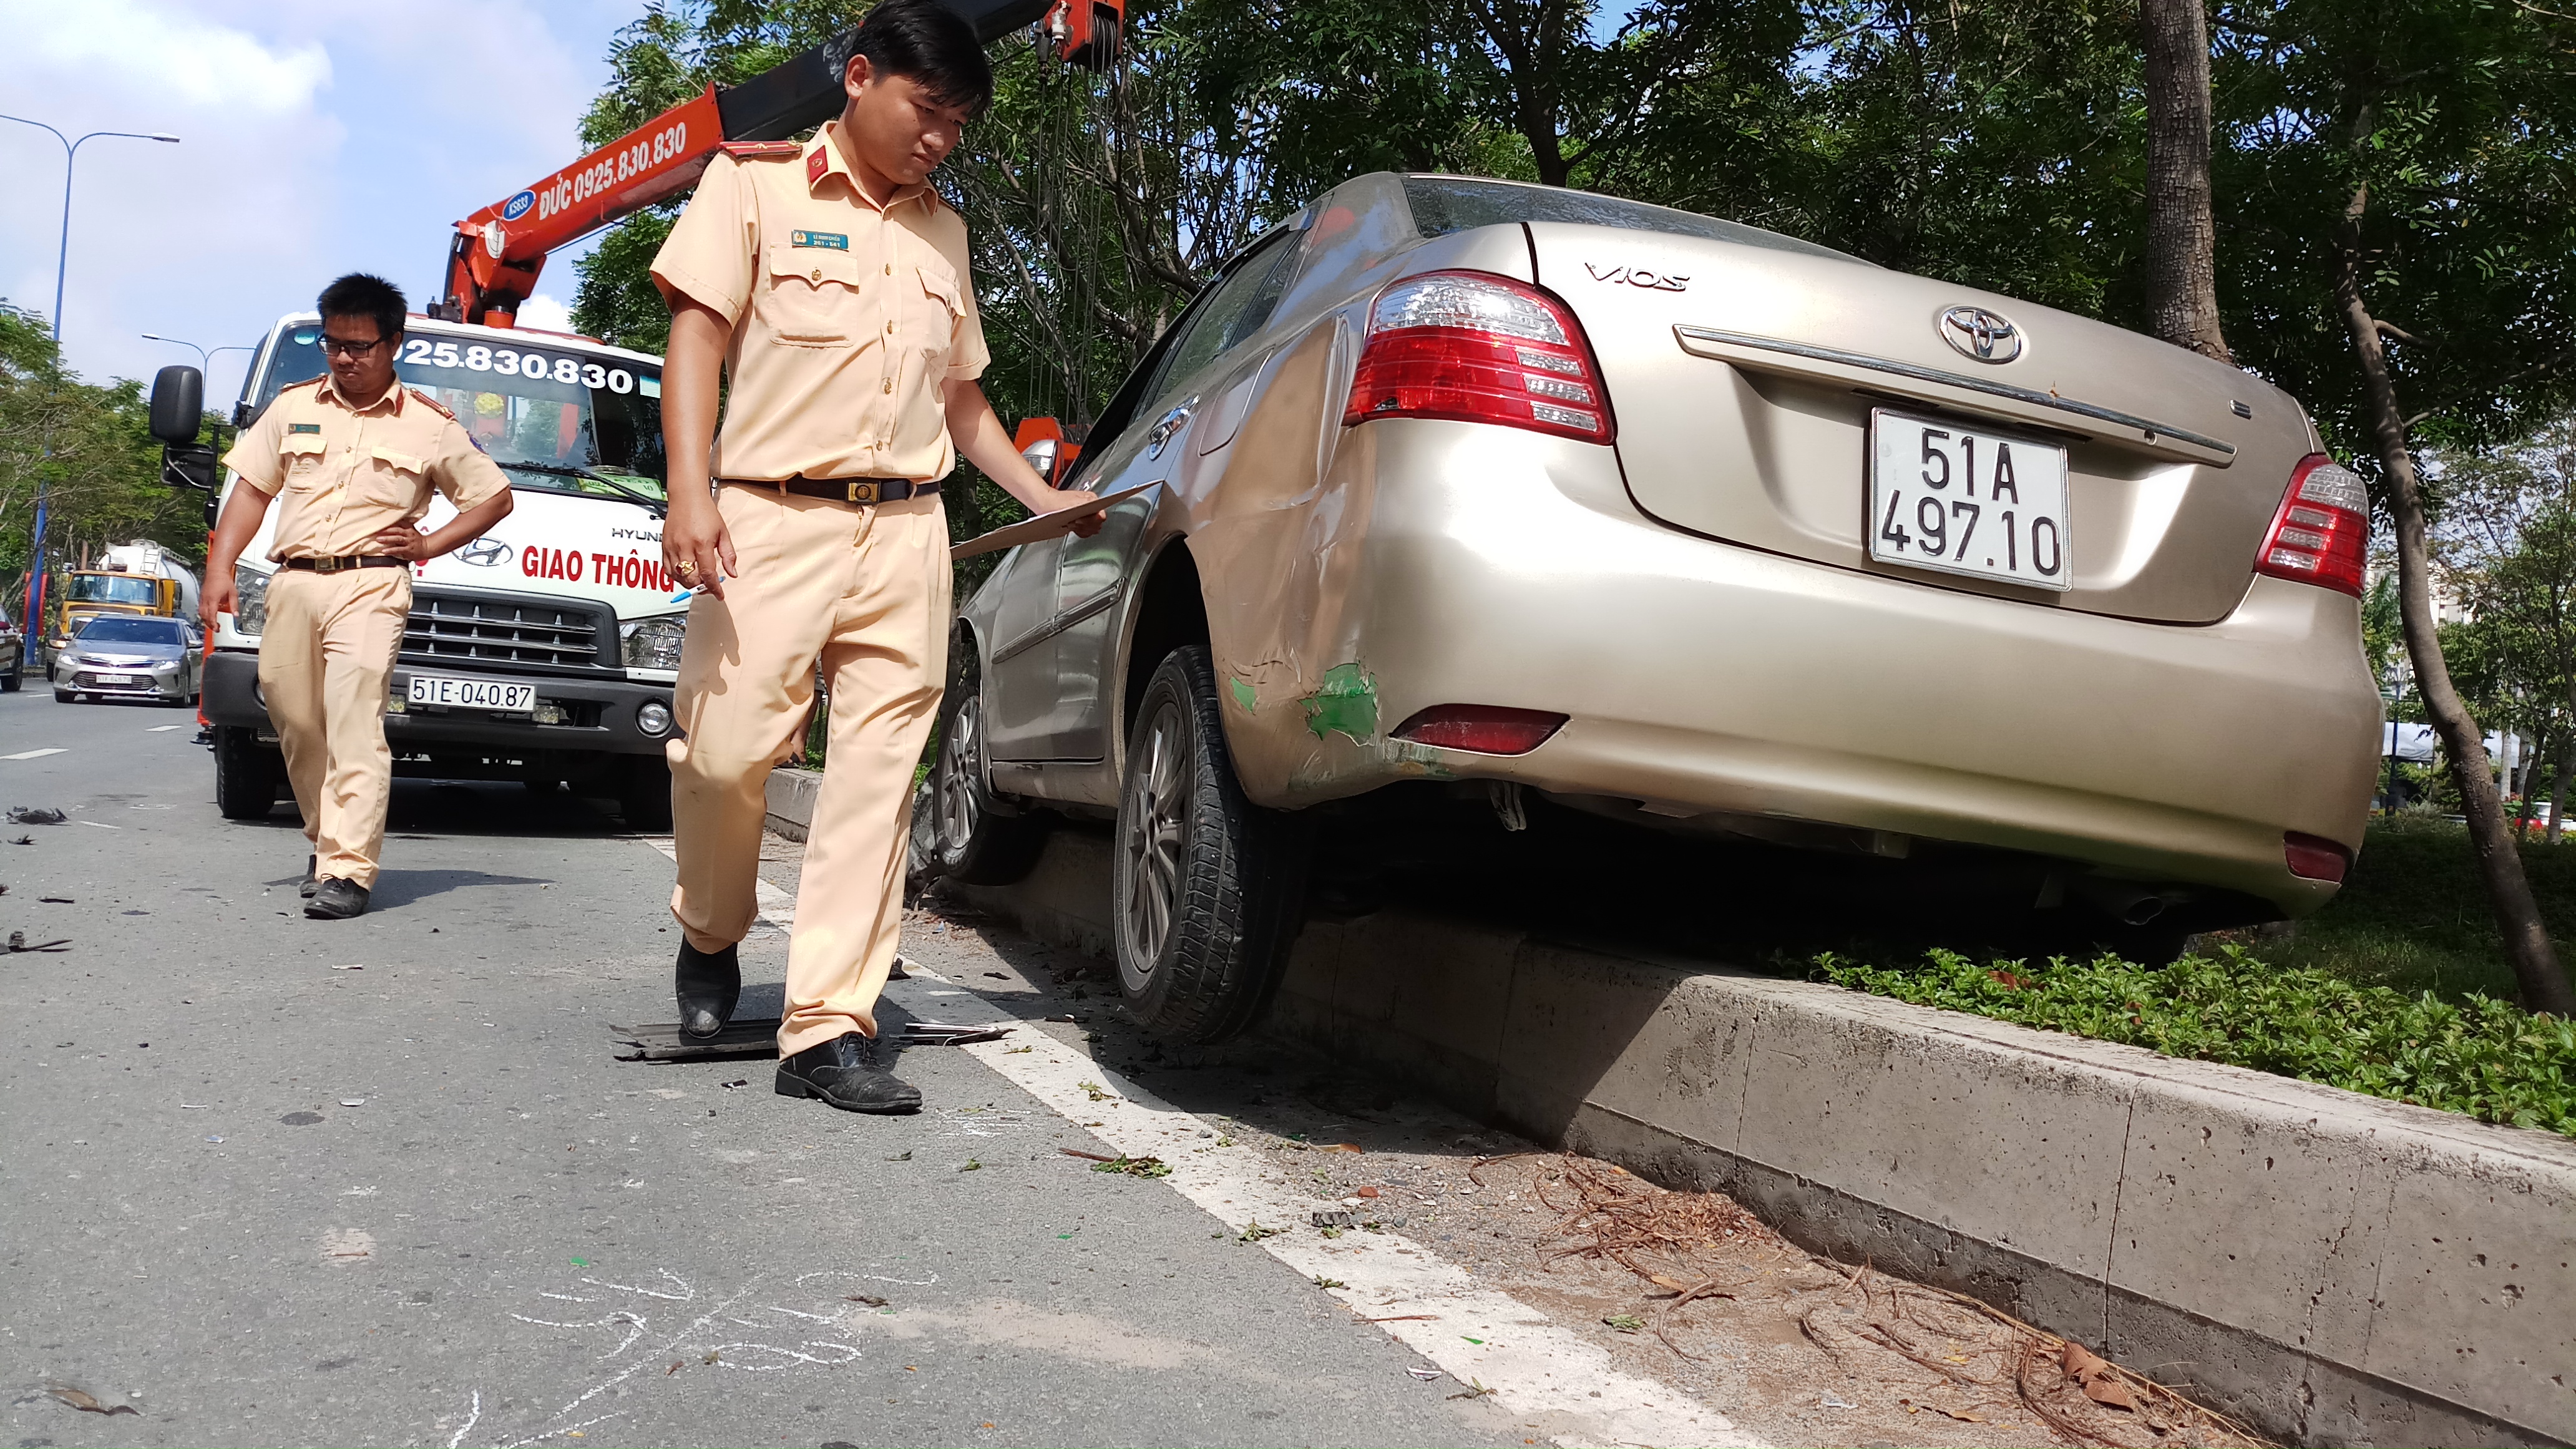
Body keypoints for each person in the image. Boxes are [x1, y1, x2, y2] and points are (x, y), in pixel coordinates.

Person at [650, 0, 1101, 1115]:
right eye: (925, 109)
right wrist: (689, 490)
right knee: (723, 756)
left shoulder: (943, 233)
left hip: (907, 533)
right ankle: (711, 935)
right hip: (765, 522)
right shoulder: (753, 186)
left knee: (873, 782)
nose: (939, 137)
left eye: (957, 122)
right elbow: (697, 338)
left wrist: (1043, 494)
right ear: (859, 79)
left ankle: (826, 1028)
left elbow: (961, 399)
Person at [202, 274, 516, 919]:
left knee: (353, 719)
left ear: (393, 343)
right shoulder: (292, 408)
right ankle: (327, 843)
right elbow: (252, 492)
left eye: (360, 346)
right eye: (334, 345)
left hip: (372, 585)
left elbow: (494, 497)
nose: (345, 359)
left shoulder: (429, 426)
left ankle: (349, 869)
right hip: (293, 581)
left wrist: (429, 546)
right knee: (295, 719)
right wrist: (220, 567)